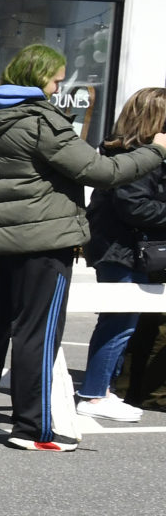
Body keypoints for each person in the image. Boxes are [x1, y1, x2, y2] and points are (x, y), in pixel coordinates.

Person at [0, 45, 166, 449]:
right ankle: (34, 428)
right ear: (38, 77)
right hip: (42, 241)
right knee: (37, 333)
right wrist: (156, 151)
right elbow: (103, 171)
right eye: (56, 79)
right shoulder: (41, 120)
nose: (58, 86)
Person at [77, 87, 166, 423]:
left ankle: (103, 391)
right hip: (120, 250)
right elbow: (135, 206)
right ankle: (96, 393)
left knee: (122, 322)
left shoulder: (130, 151)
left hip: (125, 249)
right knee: (118, 322)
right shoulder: (136, 154)